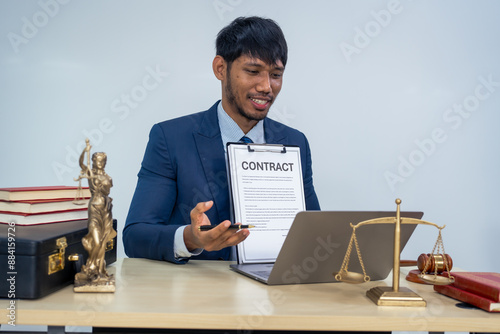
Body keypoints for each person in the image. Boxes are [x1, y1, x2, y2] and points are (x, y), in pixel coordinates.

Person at [123, 16, 320, 264]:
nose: (266, 86)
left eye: (276, 74)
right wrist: (191, 238)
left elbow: (313, 235)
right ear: (220, 68)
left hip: (276, 292)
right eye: (253, 72)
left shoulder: (295, 142)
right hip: (201, 296)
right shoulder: (171, 138)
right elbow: (135, 236)